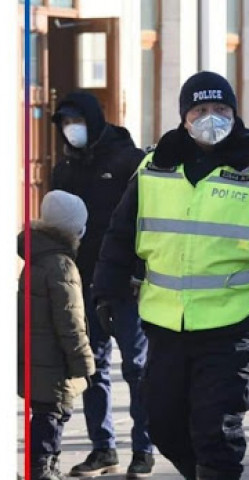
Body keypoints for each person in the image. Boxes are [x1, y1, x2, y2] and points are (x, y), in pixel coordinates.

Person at [92, 71, 249, 480]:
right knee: (162, 422)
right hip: (165, 323)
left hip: (229, 324)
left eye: (221, 109)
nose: (211, 118)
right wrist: (106, 292)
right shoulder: (154, 167)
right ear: (184, 117)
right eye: (201, 110)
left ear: (235, 114)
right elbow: (120, 234)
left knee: (216, 429)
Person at [49, 91, 154, 477]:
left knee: (138, 367)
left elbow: (147, 222)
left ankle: (144, 447)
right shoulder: (65, 169)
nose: (69, 129)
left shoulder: (130, 160)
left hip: (126, 286)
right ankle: (103, 448)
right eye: (64, 123)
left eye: (75, 121)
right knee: (92, 368)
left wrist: (140, 273)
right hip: (83, 283)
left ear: (93, 119)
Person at [18, 191, 96, 480]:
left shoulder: (35, 257)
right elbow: (71, 322)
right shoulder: (62, 266)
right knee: (53, 414)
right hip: (55, 359)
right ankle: (41, 468)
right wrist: (84, 362)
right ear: (73, 229)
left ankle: (43, 466)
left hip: (37, 354)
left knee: (45, 412)